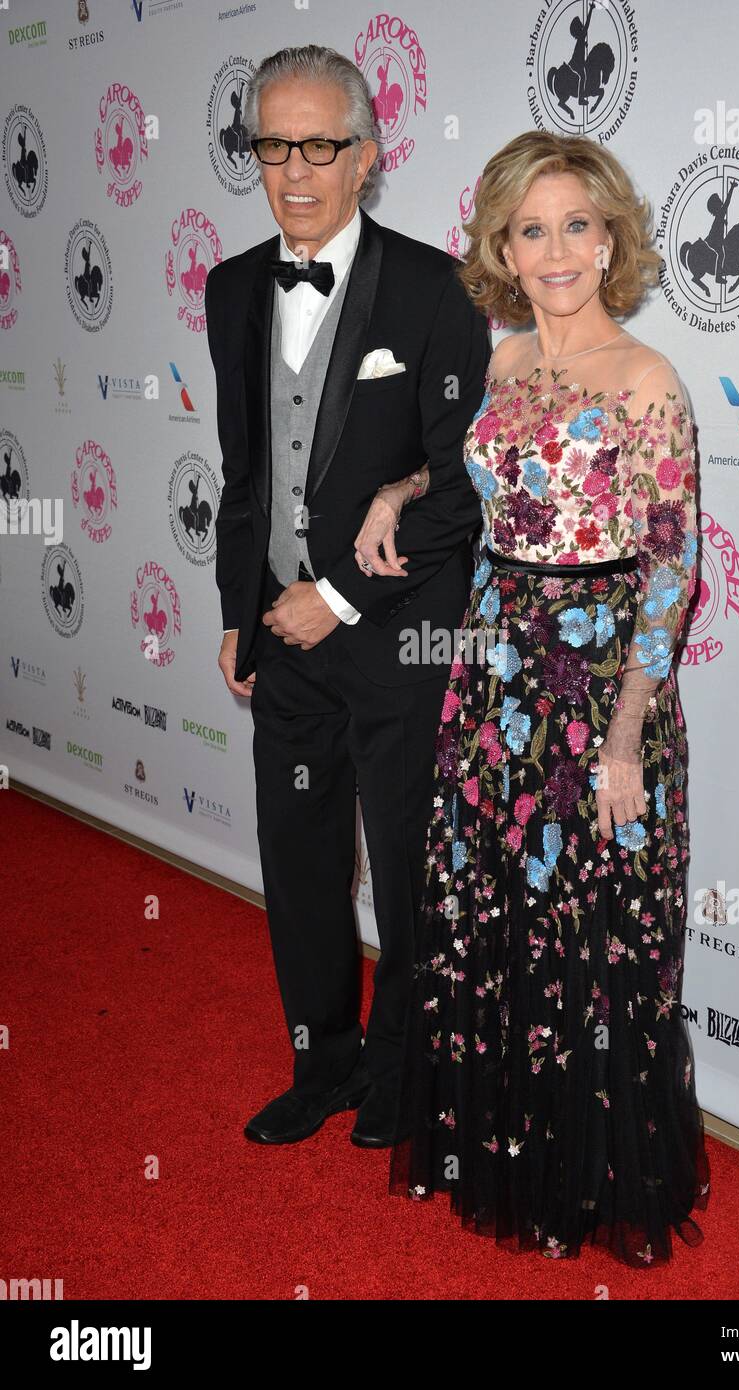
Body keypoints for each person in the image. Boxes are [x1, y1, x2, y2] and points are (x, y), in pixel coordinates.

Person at [357, 129, 711, 1263]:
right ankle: (496, 1153)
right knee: (496, 916)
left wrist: (623, 737)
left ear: (611, 238)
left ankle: (594, 1189)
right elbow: (479, 476)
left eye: (576, 225)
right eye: (531, 228)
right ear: (503, 245)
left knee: (596, 937)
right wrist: (398, 488)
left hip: (599, 677)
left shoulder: (648, 380)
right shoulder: (503, 361)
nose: (555, 249)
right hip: (494, 664)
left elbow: (670, 567)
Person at [204, 45, 490, 1148]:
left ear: (367, 156)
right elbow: (243, 472)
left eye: (320, 144)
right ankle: (322, 1062)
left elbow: (460, 485)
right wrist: (243, 605)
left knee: (411, 863)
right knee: (301, 854)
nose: (295, 169)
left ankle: (402, 1073)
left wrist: (338, 593)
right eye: (273, 144)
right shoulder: (232, 286)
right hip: (280, 631)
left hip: (396, 635)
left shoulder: (434, 289)